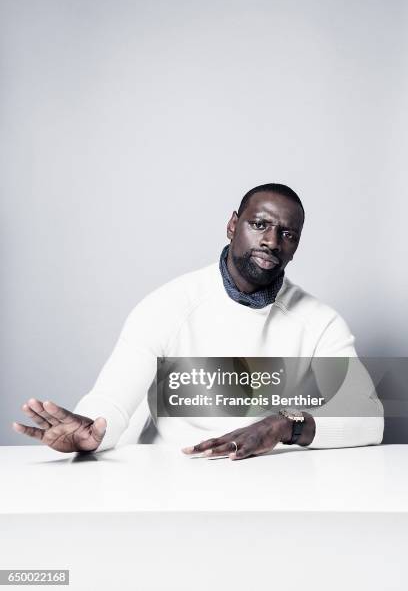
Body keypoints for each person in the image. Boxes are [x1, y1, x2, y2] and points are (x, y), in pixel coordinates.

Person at [13, 184, 384, 459]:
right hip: (175, 480)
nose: (272, 241)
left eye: (287, 234)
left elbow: (368, 418)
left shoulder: (320, 322)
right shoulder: (169, 305)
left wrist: (283, 424)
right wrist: (92, 431)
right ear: (232, 225)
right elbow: (112, 399)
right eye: (259, 224)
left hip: (275, 486)